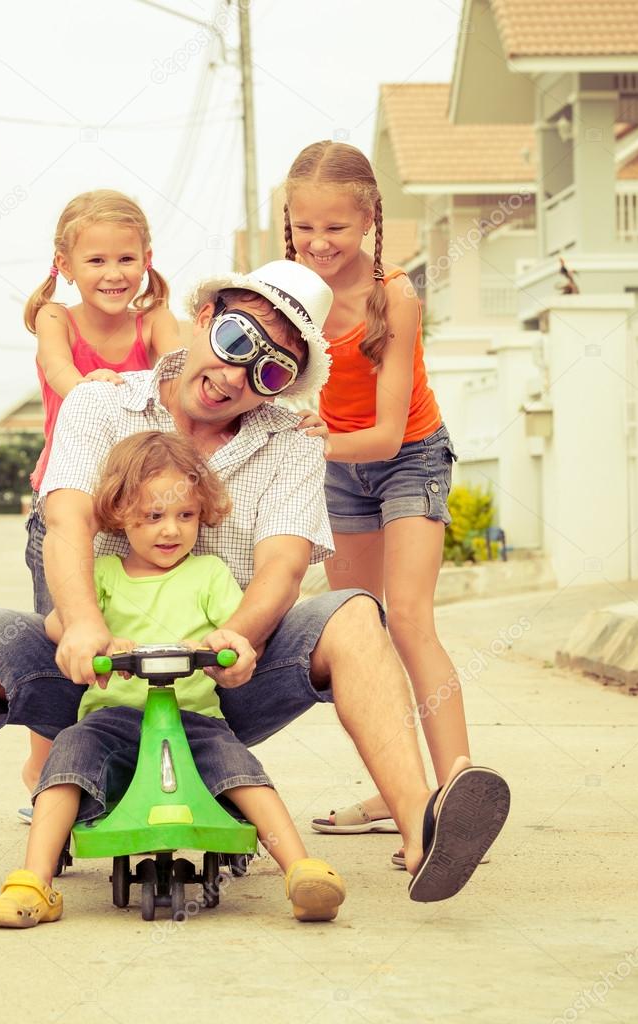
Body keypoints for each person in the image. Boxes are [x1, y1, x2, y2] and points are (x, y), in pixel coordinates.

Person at [0, 259, 509, 918]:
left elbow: (284, 566)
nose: (237, 375)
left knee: (353, 613)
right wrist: (84, 626)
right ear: (208, 317)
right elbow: (65, 523)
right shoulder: (102, 405)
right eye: (237, 343)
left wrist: (236, 636)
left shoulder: (288, 438)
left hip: (220, 675)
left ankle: (423, 829)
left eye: (271, 370)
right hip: (99, 673)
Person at [0, 431, 346, 927]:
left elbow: (235, 634)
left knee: (238, 766)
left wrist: (228, 651)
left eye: (185, 515)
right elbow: (57, 624)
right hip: (111, 719)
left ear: (203, 513)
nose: (170, 529)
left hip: (194, 718)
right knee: (67, 754)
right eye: (153, 516)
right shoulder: (104, 575)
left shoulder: (208, 575)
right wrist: (94, 636)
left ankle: (302, 870)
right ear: (118, 514)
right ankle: (33, 880)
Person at [282, 141, 477, 860]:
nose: (319, 242)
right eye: (306, 227)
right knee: (355, 635)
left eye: (336, 227)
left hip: (407, 458)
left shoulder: (394, 295)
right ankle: (403, 796)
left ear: (368, 218)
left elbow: (389, 430)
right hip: (335, 468)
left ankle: (458, 795)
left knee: (410, 620)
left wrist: (310, 445)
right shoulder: (283, 290)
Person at [20, 190, 183, 815]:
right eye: (95, 261)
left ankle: (134, 761)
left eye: (125, 258)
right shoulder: (56, 319)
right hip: (65, 503)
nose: (113, 274)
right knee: (62, 641)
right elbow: (60, 373)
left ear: (146, 257)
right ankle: (44, 775)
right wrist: (89, 386)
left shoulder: (155, 318)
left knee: (136, 636)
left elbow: (178, 366)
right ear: (64, 263)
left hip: (138, 507)